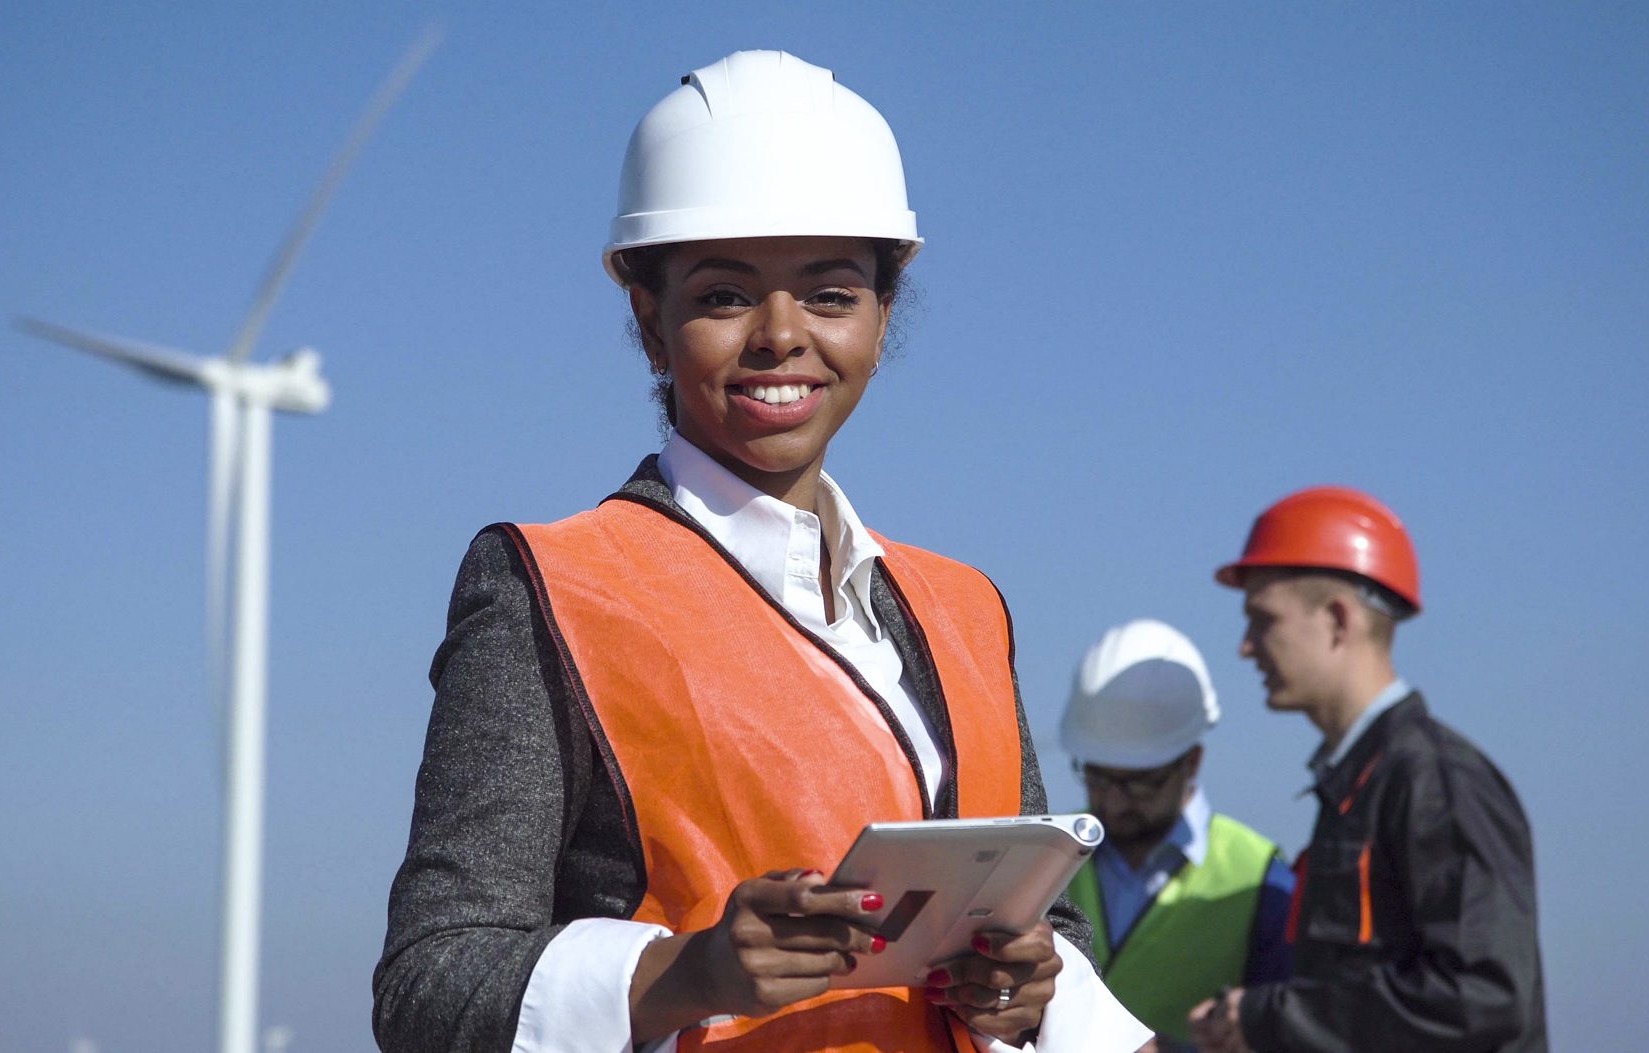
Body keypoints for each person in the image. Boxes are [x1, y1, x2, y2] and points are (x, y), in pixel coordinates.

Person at [371, 51, 1151, 1053]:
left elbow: (1044, 931)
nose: (780, 336)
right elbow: (428, 988)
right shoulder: (548, 588)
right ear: (648, 320)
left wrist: (1025, 979)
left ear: (880, 317)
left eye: (829, 295)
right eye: (725, 295)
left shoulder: (964, 610)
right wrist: (685, 972)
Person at [1188, 487, 1546, 1053]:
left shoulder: (1437, 780)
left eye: (1263, 620)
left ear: (1336, 619)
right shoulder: (1366, 782)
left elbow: (1483, 996)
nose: (1246, 647)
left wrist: (1267, 1019)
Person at [1058, 619, 1294, 1053]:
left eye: (1139, 783)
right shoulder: (1046, 853)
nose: (1113, 801)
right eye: (1097, 777)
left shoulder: (1261, 880)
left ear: (1192, 764)